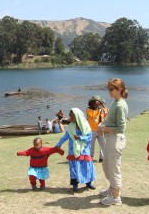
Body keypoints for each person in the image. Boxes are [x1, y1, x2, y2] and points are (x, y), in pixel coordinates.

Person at [97, 78, 128, 206]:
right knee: (107, 165)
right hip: (110, 139)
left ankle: (116, 198)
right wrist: (103, 123)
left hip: (115, 140)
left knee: (114, 168)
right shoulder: (115, 102)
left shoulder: (120, 105)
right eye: (108, 88)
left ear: (119, 89)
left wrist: (104, 128)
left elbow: (121, 128)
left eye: (111, 89)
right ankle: (112, 189)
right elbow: (111, 120)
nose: (109, 91)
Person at [55, 108, 96, 192]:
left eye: (72, 117)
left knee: (86, 166)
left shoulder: (86, 126)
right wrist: (58, 145)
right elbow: (65, 137)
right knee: (73, 167)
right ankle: (75, 184)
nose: (71, 119)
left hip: (84, 150)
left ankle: (88, 183)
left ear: (78, 117)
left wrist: (80, 137)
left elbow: (89, 137)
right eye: (70, 117)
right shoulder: (71, 127)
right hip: (73, 150)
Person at [86, 95, 106, 162]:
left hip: (100, 130)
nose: (97, 104)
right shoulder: (88, 110)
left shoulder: (101, 110)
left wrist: (103, 105)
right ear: (92, 103)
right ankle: (90, 157)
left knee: (103, 144)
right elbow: (93, 116)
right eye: (95, 103)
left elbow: (107, 112)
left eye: (98, 103)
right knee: (91, 145)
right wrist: (100, 109)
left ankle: (102, 158)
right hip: (92, 131)